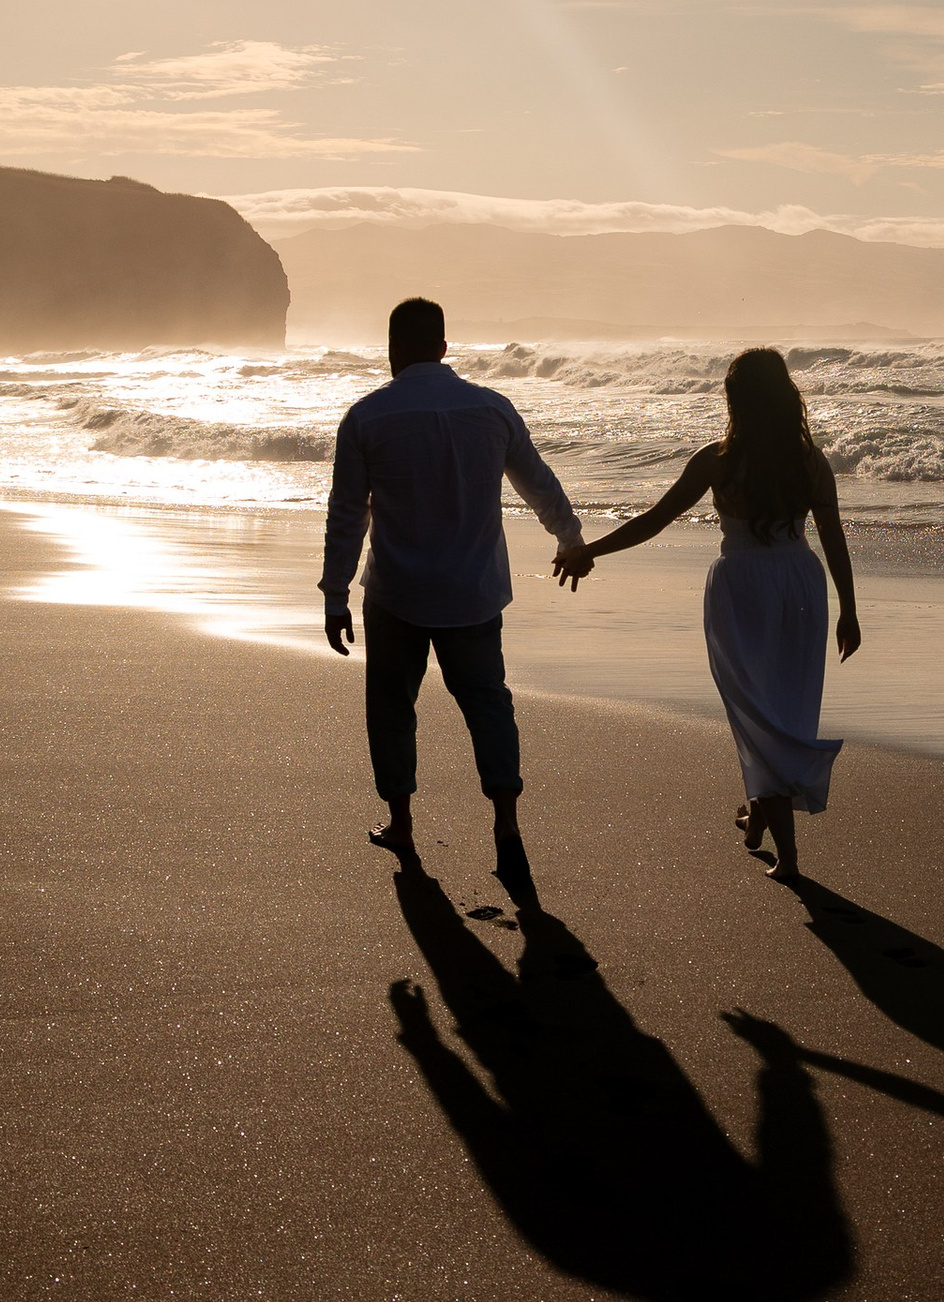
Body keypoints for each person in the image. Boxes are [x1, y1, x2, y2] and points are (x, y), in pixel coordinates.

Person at [321, 297, 591, 895]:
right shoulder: (491, 409)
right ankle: (506, 826)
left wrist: (334, 594)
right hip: (473, 592)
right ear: (445, 348)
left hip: (396, 592)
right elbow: (539, 483)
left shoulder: (367, 416)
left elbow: (347, 517)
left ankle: (402, 825)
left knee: (392, 709)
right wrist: (570, 539)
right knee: (489, 706)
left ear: (392, 350)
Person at [560, 345, 860, 878]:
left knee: (756, 710)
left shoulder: (719, 460)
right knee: (784, 708)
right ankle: (761, 812)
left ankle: (788, 858)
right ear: (786, 395)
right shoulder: (810, 461)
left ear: (735, 398)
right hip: (800, 584)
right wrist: (849, 611)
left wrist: (590, 551)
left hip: (742, 584)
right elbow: (833, 539)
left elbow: (654, 520)